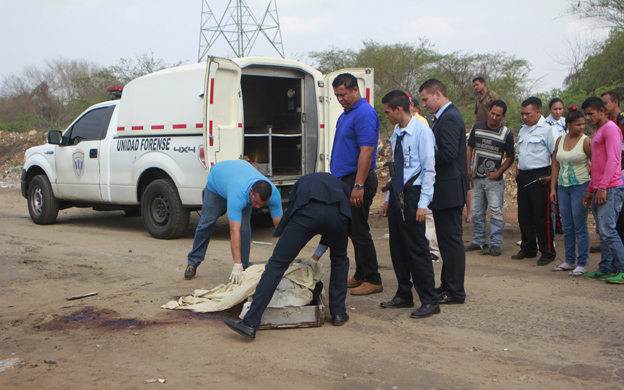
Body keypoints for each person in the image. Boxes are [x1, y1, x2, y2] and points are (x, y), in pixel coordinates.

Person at [223, 173, 352, 340]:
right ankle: (338, 314)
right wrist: (316, 257)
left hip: (306, 215)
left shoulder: (303, 182)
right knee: (340, 260)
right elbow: (331, 219)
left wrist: (288, 243)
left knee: (276, 265)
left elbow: (294, 208)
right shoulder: (341, 187)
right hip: (338, 217)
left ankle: (250, 323)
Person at [379, 90, 439, 318]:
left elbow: (429, 170)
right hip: (398, 194)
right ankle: (404, 293)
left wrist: (423, 204)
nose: (387, 117)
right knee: (398, 248)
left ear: (399, 109)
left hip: (414, 196)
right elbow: (396, 168)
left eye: (388, 112)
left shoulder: (422, 132)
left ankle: (430, 300)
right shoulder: (397, 133)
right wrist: (387, 198)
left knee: (416, 249)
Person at [185, 160, 282, 281]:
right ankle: (193, 262)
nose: (258, 207)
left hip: (236, 181)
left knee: (245, 229)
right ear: (251, 191)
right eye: (256, 202)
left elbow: (280, 226)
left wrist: (286, 255)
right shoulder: (239, 194)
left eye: (262, 204)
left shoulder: (273, 195)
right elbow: (233, 230)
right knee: (206, 223)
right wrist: (236, 264)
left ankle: (244, 267)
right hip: (217, 184)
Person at [330, 73, 383, 296]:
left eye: (342, 94)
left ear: (354, 90)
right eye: (336, 96)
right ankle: (361, 274)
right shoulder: (347, 113)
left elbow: (367, 151)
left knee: (360, 230)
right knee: (353, 230)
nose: (340, 99)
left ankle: (373, 278)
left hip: (357, 179)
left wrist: (358, 185)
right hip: (346, 179)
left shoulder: (364, 113)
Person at [419, 79, 469, 305]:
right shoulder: (443, 117)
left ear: (437, 94)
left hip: (449, 190)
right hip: (445, 190)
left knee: (451, 242)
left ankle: (456, 290)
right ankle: (448, 284)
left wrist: (424, 155)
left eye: (426, 99)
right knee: (446, 242)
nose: (425, 104)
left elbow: (448, 154)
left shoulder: (449, 118)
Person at [581, 97, 624, 284]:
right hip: (600, 187)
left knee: (608, 229)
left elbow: (614, 161)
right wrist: (591, 189)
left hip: (611, 188)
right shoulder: (599, 131)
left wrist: (603, 187)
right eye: (586, 114)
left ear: (601, 111)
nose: (588, 118)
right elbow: (597, 165)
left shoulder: (611, 130)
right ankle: (606, 268)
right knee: (602, 230)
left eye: (591, 113)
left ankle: (622, 268)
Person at [464, 100, 514, 257]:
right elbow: (469, 148)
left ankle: (496, 243)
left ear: (503, 116)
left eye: (498, 115)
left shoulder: (507, 133)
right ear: (488, 111)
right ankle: (479, 240)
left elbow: (510, 157)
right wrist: (468, 170)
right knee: (477, 212)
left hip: (494, 180)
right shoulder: (477, 127)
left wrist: (498, 173)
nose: (494, 117)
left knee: (496, 212)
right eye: (492, 113)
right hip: (477, 178)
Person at [512, 97, 558, 266]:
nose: (524, 117)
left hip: (540, 176)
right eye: (522, 113)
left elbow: (555, 156)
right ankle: (528, 247)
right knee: (524, 215)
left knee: (542, 217)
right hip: (523, 176)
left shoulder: (547, 129)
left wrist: (552, 177)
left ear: (538, 111)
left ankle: (547, 251)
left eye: (528, 113)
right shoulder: (524, 129)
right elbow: (520, 154)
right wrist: (517, 172)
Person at [550, 107, 591, 276]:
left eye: (583, 124)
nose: (581, 127)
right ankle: (569, 260)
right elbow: (555, 164)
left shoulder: (586, 141)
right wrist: (553, 187)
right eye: (578, 124)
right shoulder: (560, 140)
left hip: (580, 186)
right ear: (568, 125)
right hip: (562, 187)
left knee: (580, 225)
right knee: (567, 225)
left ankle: (582, 263)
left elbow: (594, 163)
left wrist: (591, 188)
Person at [546, 97, 566, 235]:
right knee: (554, 194)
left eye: (560, 109)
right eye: (555, 109)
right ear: (549, 109)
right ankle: (556, 224)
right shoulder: (547, 124)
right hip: (553, 161)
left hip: (566, 162)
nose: (557, 112)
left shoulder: (565, 122)